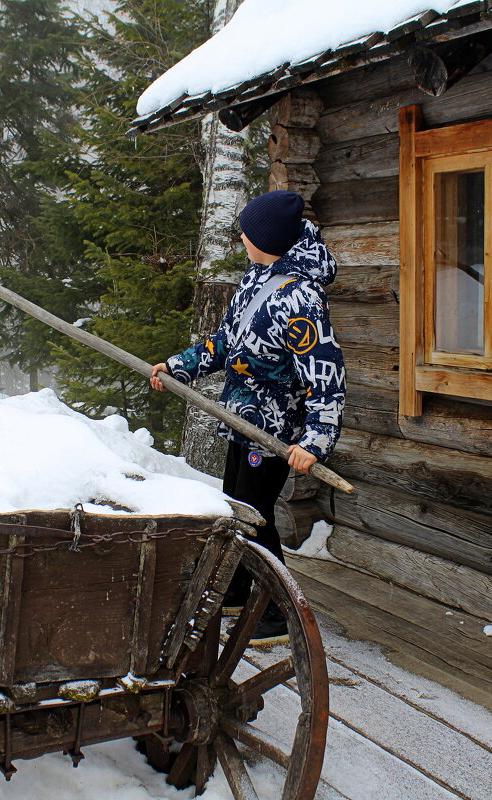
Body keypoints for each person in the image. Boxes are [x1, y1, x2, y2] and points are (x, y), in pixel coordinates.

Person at [151, 190, 345, 645]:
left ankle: (278, 610)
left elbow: (325, 372)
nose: (241, 237)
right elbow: (225, 342)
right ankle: (235, 590)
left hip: (275, 430)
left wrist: (316, 441)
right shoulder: (257, 279)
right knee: (235, 504)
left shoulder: (301, 299)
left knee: (254, 516)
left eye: (248, 232)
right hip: (244, 420)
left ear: (271, 240)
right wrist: (180, 366)